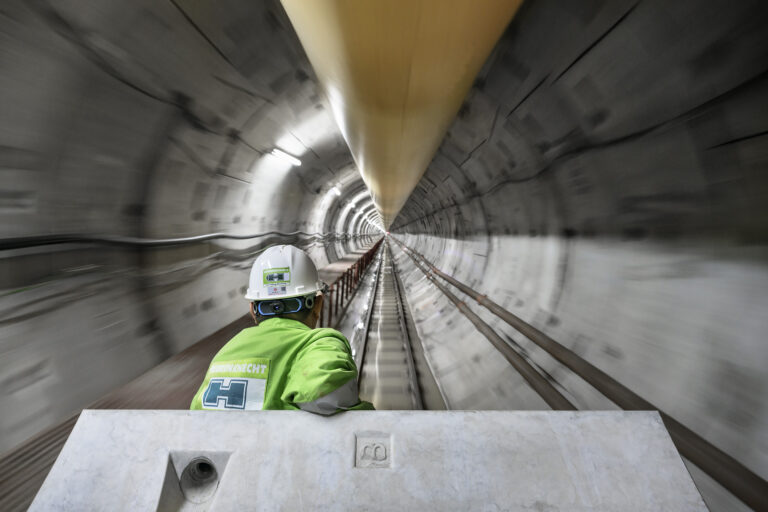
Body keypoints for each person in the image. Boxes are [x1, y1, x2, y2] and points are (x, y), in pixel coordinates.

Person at [190, 245, 373, 414]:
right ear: (317, 304)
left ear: (253, 310)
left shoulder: (224, 353)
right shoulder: (319, 343)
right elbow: (329, 395)